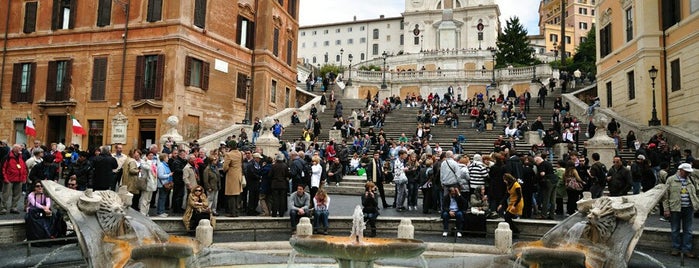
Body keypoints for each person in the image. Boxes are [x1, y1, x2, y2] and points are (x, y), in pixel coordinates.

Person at [662, 163, 699, 258]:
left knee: (688, 230)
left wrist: (696, 204)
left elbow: (696, 192)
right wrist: (666, 209)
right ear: (680, 170)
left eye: (688, 172)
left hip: (688, 208)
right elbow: (665, 196)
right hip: (675, 208)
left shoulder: (691, 179)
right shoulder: (671, 180)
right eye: (686, 172)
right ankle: (675, 248)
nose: (687, 173)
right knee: (675, 229)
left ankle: (687, 249)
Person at [1, 144, 27, 214]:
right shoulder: (7, 157)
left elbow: (24, 168)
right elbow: (3, 169)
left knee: (17, 195)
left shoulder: (21, 158)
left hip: (19, 179)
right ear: (14, 149)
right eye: (19, 148)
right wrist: (5, 178)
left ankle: (13, 207)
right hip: (9, 179)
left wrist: (24, 178)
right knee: (5, 195)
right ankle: (3, 208)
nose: (20, 149)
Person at [223, 141, 245, 217]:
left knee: (231, 195)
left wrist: (227, 169)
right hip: (238, 174)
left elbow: (225, 167)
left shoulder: (228, 155)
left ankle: (232, 212)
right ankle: (236, 211)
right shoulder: (240, 153)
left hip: (231, 175)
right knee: (237, 195)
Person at [156, 153, 174, 217]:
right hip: (162, 184)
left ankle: (161, 211)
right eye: (167, 157)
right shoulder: (161, 165)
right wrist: (169, 175)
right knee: (162, 198)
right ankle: (160, 212)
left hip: (165, 183)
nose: (168, 159)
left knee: (163, 198)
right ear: (163, 158)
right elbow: (160, 175)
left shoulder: (165, 165)